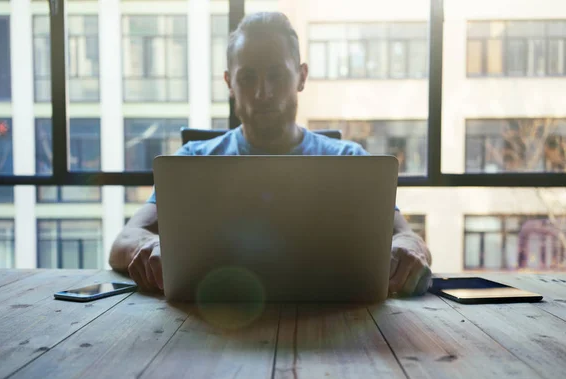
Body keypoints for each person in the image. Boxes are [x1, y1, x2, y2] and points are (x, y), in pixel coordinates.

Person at [109, 11, 433, 297]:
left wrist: (407, 246)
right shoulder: (191, 160)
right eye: (248, 78)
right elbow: (125, 240)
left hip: (338, 331)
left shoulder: (352, 160)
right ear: (229, 84)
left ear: (301, 77)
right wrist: (150, 245)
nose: (263, 93)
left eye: (277, 75)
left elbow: (408, 238)